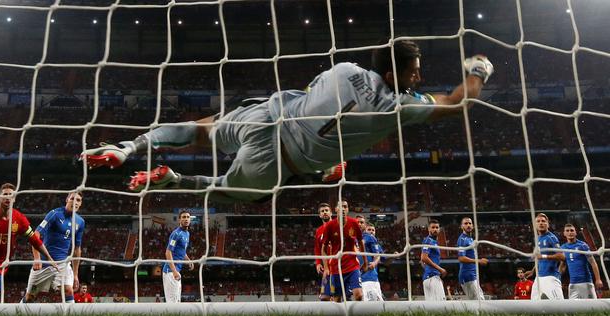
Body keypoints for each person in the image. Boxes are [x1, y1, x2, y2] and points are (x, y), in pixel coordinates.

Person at [80, 41, 493, 202]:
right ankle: (172, 180)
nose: (418, 78)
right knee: (227, 194)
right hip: (278, 160)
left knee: (202, 130)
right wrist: (478, 69)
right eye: (414, 71)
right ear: (394, 75)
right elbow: (458, 101)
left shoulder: (344, 67)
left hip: (267, 115)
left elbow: (313, 95)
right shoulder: (396, 106)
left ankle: (130, 146)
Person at [22, 191, 86, 304]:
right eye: (72, 199)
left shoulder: (80, 222)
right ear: (67, 199)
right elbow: (35, 235)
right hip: (45, 264)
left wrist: (76, 274)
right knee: (31, 296)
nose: (75, 202)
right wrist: (36, 258)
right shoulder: (54, 214)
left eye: (78, 200)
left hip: (63, 264)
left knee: (68, 291)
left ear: (80, 204)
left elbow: (77, 249)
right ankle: (18, 313)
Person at [321, 207, 366, 302]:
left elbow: (361, 243)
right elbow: (322, 249)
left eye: (345, 207)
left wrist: (365, 261)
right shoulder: (329, 226)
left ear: (348, 209)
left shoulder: (353, 223)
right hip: (336, 267)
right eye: (340, 207)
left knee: (359, 295)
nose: (343, 209)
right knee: (336, 299)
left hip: (352, 265)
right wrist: (325, 267)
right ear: (336, 210)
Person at [525, 213, 565, 300]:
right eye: (538, 221)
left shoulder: (551, 237)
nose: (541, 223)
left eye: (543, 221)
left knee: (559, 306)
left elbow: (562, 256)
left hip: (550, 277)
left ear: (548, 224)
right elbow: (539, 259)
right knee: (535, 305)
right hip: (539, 278)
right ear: (535, 225)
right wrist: (532, 271)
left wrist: (543, 256)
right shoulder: (538, 238)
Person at [559, 223, 603, 299]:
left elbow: (593, 263)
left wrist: (598, 279)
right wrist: (558, 278)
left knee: (592, 308)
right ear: (564, 233)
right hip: (573, 284)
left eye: (572, 230)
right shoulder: (563, 248)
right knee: (573, 309)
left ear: (576, 233)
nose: (570, 232)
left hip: (586, 282)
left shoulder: (583, 245)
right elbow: (563, 265)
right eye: (567, 231)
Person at [163, 211, 194, 303]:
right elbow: (168, 252)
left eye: (188, 217)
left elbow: (182, 251)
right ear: (179, 219)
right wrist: (174, 271)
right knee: (173, 303)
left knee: (177, 301)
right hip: (170, 272)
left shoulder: (187, 234)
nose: (186, 219)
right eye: (183, 217)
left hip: (176, 271)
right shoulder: (176, 234)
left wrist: (189, 260)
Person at [456, 217, 488, 300]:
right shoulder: (462, 239)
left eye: (470, 223)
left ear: (473, 226)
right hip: (467, 275)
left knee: (479, 301)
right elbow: (461, 258)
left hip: (472, 274)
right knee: (479, 301)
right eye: (465, 223)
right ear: (461, 226)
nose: (468, 225)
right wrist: (478, 261)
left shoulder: (470, 239)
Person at [421, 219, 446, 301]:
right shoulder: (429, 240)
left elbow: (422, 261)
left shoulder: (433, 241)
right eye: (433, 227)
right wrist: (440, 269)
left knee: (431, 308)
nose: (435, 229)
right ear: (428, 229)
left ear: (439, 229)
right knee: (442, 306)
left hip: (430, 277)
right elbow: (424, 258)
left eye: (437, 227)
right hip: (432, 278)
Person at [314, 203, 333, 301]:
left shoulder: (338, 226)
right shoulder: (318, 231)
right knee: (325, 298)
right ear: (319, 215)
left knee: (339, 296)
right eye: (322, 211)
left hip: (338, 266)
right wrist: (318, 263)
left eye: (326, 210)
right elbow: (317, 249)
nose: (325, 212)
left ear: (331, 213)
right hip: (326, 267)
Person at [361, 223, 384, 302]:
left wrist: (394, 256)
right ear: (365, 231)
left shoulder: (377, 245)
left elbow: (384, 260)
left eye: (373, 230)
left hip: (372, 277)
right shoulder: (366, 237)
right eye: (369, 230)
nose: (371, 232)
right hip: (365, 277)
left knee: (374, 303)